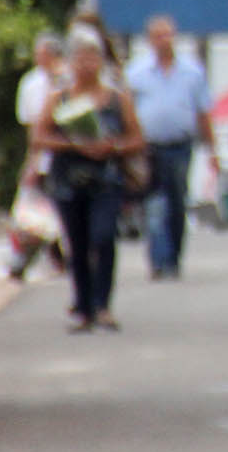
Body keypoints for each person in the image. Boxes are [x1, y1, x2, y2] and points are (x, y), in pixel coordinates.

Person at [32, 27, 145, 334]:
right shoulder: (59, 98)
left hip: (106, 179)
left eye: (92, 58)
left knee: (103, 236)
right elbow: (39, 136)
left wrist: (114, 147)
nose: (85, 65)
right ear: (70, 62)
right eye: (79, 58)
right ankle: (83, 306)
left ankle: (103, 304)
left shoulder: (116, 100)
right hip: (69, 180)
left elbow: (137, 138)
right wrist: (73, 144)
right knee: (77, 243)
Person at [125, 14, 214, 280]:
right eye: (157, 36)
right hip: (148, 147)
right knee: (155, 204)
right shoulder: (137, 72)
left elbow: (202, 113)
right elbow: (127, 111)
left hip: (180, 146)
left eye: (168, 34)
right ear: (149, 40)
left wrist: (212, 150)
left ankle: (173, 256)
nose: (163, 40)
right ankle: (158, 259)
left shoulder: (192, 72)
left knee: (176, 202)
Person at [11, 33, 69, 278]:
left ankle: (63, 257)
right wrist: (31, 161)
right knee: (34, 214)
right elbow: (30, 128)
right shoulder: (30, 84)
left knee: (60, 211)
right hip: (41, 156)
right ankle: (23, 260)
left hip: (66, 155)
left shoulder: (69, 81)